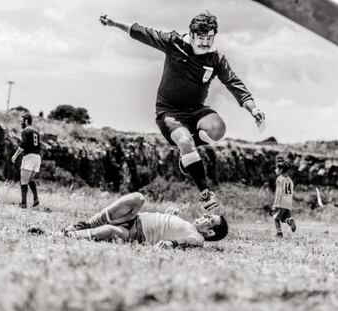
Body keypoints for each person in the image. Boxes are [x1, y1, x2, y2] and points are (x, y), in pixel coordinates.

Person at [98, 12, 265, 210]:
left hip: (196, 110)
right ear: (192, 34)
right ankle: (205, 193)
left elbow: (233, 82)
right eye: (201, 38)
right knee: (185, 141)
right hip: (169, 112)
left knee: (218, 129)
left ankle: (186, 156)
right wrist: (114, 23)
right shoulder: (173, 42)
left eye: (209, 38)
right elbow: (141, 32)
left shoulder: (216, 58)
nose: (205, 43)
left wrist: (252, 108)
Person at [63, 192, 228, 249]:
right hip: (134, 218)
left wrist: (172, 244)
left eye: (209, 219)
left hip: (136, 234)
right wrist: (168, 215)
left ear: (210, 231)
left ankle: (66, 234)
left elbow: (185, 241)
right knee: (138, 198)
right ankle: (82, 227)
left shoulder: (198, 238)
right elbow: (166, 227)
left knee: (110, 231)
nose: (205, 215)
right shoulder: (188, 225)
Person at [11, 113, 41, 208]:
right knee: (30, 180)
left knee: (23, 180)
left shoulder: (25, 131)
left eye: (22, 121)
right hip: (37, 157)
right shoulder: (36, 131)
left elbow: (22, 145)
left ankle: (23, 203)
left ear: (26, 121)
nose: (21, 123)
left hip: (29, 157)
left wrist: (15, 155)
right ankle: (35, 199)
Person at [272, 158, 296, 237]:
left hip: (281, 202)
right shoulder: (290, 180)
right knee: (284, 219)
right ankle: (289, 221)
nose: (275, 170)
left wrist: (275, 205)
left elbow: (279, 193)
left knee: (276, 218)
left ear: (281, 169)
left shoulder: (280, 179)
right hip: (288, 202)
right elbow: (291, 193)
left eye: (276, 168)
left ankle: (279, 233)